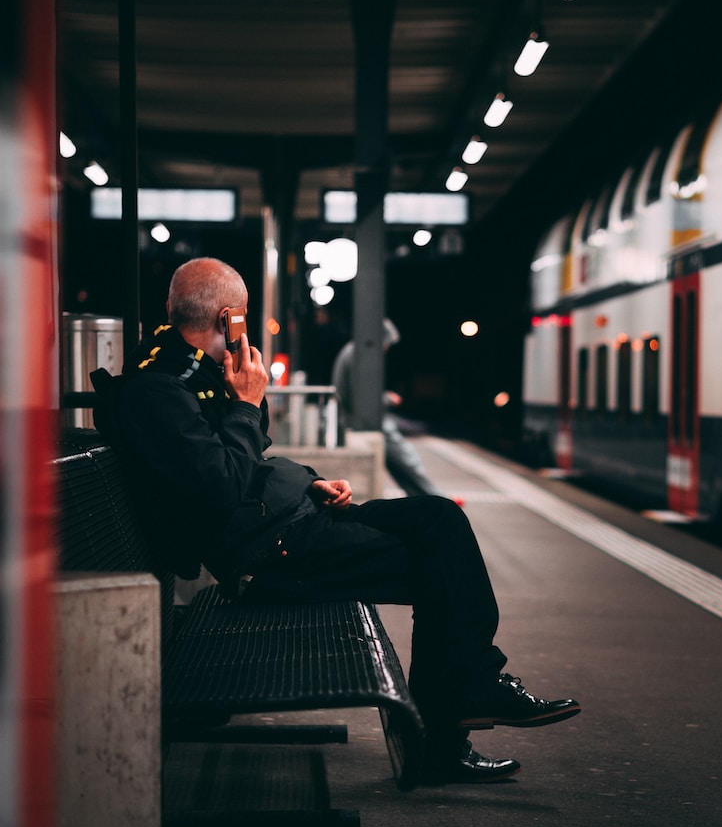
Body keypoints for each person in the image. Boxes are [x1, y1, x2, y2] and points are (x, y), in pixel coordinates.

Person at [97, 258, 579, 783]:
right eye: (244, 318)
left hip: (288, 522)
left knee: (437, 520)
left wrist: (308, 480)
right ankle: (453, 722)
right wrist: (247, 405)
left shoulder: (191, 374)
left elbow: (246, 468)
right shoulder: (160, 389)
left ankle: (459, 708)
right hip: (268, 555)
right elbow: (220, 488)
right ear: (229, 318)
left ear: (174, 309)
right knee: (440, 560)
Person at [331, 317, 447, 499]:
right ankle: (436, 499)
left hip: (354, 418)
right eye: (386, 344)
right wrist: (388, 399)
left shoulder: (351, 350)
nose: (386, 349)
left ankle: (426, 497)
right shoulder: (359, 353)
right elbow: (362, 399)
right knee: (407, 458)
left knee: (404, 457)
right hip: (362, 421)